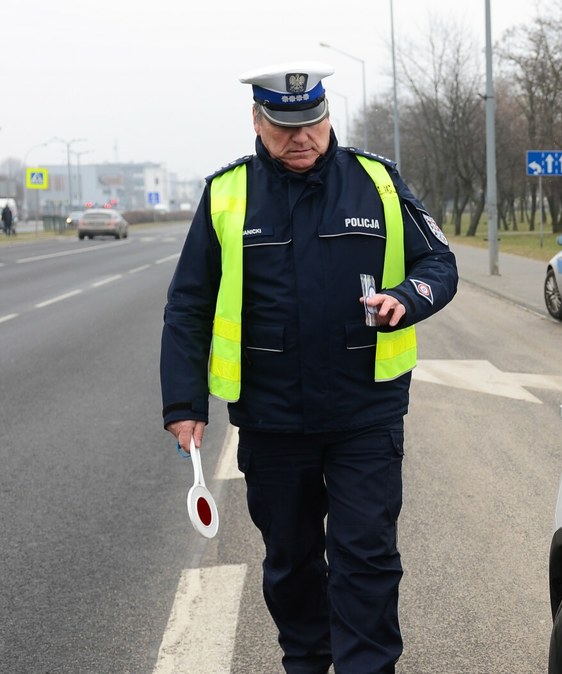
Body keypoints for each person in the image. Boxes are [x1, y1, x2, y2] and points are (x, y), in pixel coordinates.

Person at [160, 61, 458, 674]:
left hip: (364, 414)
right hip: (272, 421)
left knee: (366, 557)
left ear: (329, 117)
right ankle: (307, 658)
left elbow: (440, 264)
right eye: (286, 125)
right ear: (257, 121)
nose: (303, 137)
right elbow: (188, 303)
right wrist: (184, 403)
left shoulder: (376, 181)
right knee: (291, 561)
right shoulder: (226, 194)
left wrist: (407, 299)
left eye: (314, 122)